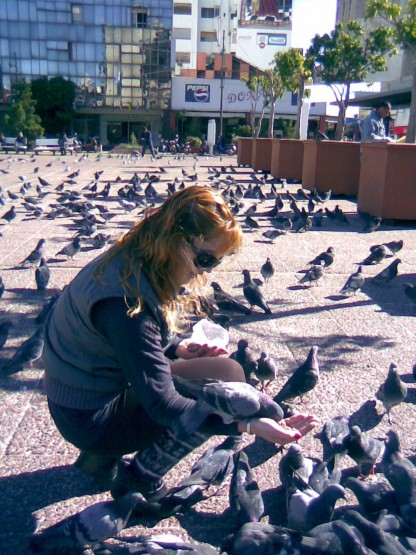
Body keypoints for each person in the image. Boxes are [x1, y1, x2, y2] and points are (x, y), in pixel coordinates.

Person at [43, 185, 317, 501]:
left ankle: (98, 461)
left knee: (226, 370)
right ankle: (138, 479)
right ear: (175, 243)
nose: (205, 270)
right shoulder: (127, 304)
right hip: (89, 418)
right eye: (203, 258)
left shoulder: (135, 254)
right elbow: (164, 404)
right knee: (223, 390)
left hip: (83, 397)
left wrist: (177, 348)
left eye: (216, 261)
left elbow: (124, 343)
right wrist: (246, 426)